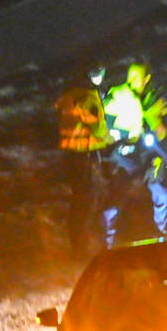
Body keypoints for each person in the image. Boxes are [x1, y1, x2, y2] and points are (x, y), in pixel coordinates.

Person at [101, 61, 167, 245]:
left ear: (146, 79)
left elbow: (160, 127)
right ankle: (108, 241)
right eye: (130, 76)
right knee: (115, 197)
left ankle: (162, 235)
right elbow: (107, 125)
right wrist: (121, 139)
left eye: (137, 76)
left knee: (161, 193)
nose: (132, 80)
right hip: (123, 155)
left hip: (146, 155)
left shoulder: (151, 97)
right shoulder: (118, 95)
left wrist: (161, 156)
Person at [53, 65, 110, 258]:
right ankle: (83, 249)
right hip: (85, 156)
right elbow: (99, 129)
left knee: (78, 202)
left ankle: (77, 245)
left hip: (70, 156)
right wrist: (113, 138)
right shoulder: (89, 97)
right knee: (88, 202)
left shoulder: (69, 96)